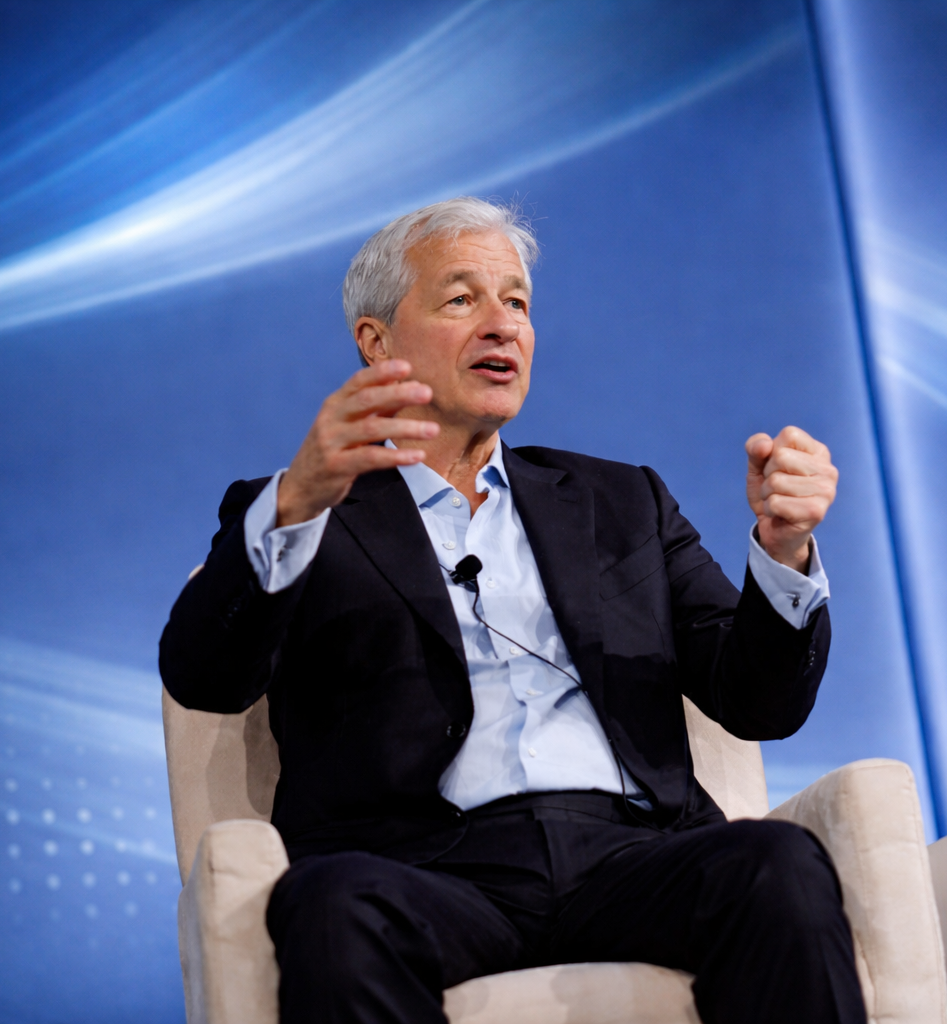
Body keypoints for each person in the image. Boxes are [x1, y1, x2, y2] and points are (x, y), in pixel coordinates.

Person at [159, 197, 857, 1024]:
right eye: (462, 299)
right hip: (421, 867)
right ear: (376, 341)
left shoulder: (620, 501)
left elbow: (761, 703)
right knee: (336, 908)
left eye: (517, 302)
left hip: (632, 856)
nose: (502, 325)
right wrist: (296, 503)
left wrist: (783, 552)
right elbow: (205, 677)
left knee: (777, 865)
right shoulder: (308, 510)